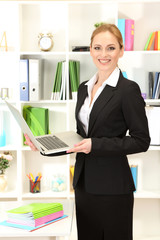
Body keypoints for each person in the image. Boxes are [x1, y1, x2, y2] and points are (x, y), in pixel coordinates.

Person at [25, 24, 150, 240]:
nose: (104, 54)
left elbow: (141, 141)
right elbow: (80, 137)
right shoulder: (84, 87)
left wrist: (96, 144)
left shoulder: (128, 90)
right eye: (98, 48)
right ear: (90, 50)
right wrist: (43, 147)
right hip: (84, 185)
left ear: (121, 51)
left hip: (113, 188)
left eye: (111, 48)